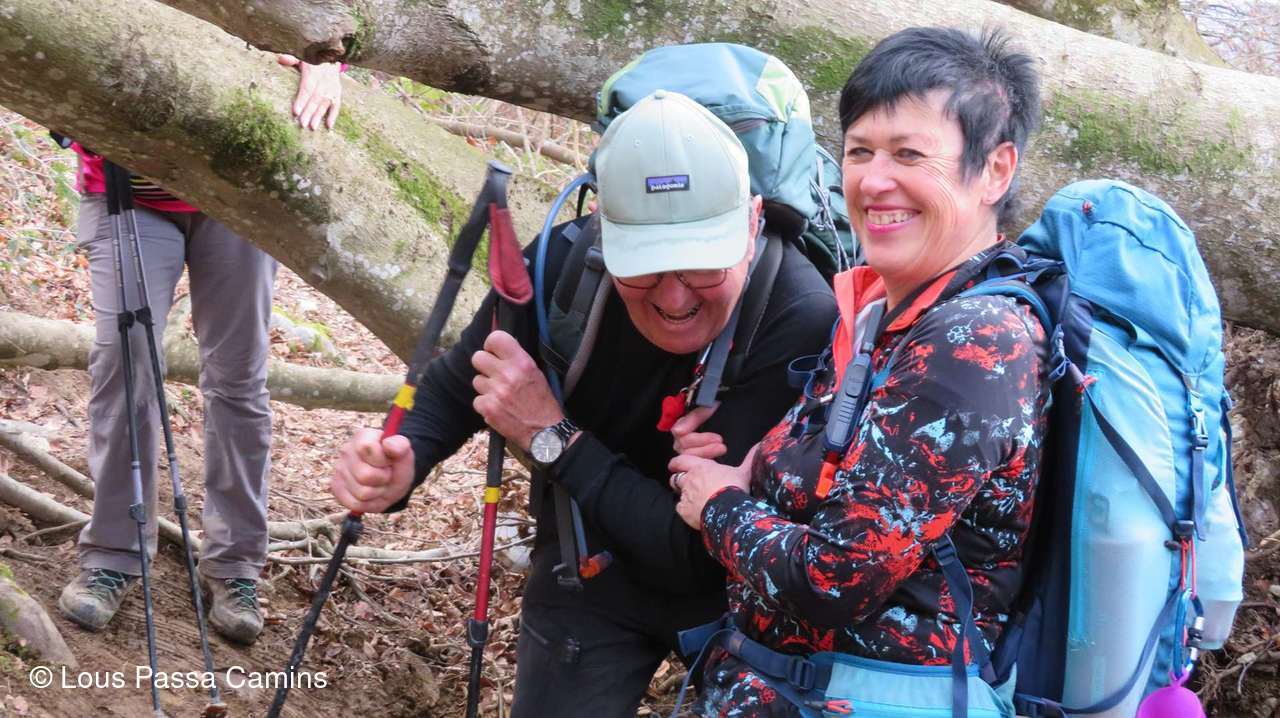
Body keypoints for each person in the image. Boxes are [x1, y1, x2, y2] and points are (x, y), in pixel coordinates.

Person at [330, 90, 837, 715]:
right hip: (590, 559)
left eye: (703, 265)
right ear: (603, 230)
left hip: (736, 594)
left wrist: (551, 435)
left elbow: (694, 559)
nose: (675, 297)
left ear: (752, 223)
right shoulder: (564, 267)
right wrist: (405, 457)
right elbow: (462, 378)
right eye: (645, 268)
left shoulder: (799, 318)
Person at [668, 27, 1050, 715]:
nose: (874, 181)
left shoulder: (975, 340)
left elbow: (835, 578)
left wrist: (717, 505)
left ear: (995, 170)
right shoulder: (878, 315)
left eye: (909, 154)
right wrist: (754, 470)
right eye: (859, 151)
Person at [58, 55, 344, 645]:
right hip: (127, 193)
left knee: (239, 378)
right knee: (125, 362)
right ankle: (113, 552)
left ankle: (236, 565)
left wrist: (327, 66)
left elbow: (322, 28)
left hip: (241, 195)